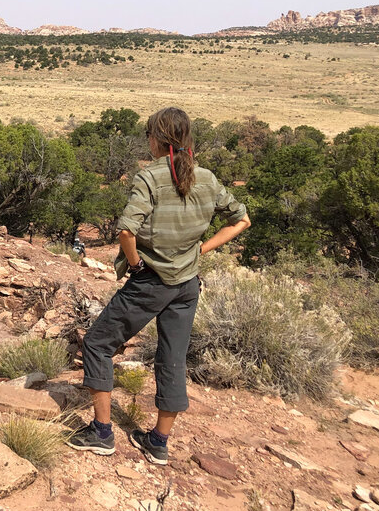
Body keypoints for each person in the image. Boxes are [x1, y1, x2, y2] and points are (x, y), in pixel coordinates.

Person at [66, 106, 250, 465]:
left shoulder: (149, 178)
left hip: (152, 280)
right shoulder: (207, 178)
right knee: (172, 359)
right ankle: (158, 441)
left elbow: (126, 231)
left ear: (157, 139)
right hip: (187, 284)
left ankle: (102, 433)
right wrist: (201, 248)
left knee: (99, 343)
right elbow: (241, 220)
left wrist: (134, 264)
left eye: (148, 135)